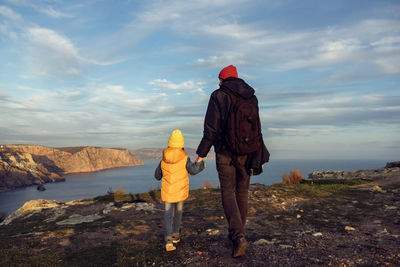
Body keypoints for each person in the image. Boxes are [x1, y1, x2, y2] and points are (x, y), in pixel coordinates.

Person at [196, 65, 269, 258]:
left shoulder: (218, 95)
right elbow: (258, 128)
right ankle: (239, 235)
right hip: (248, 151)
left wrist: (201, 153)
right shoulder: (251, 96)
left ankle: (238, 237)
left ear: (222, 80)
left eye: (219, 80)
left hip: (225, 153)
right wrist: (258, 151)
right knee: (242, 193)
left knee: (228, 191)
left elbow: (211, 129)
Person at [155, 129, 205, 252]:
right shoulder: (184, 158)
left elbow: (157, 176)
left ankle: (168, 240)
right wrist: (201, 164)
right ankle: (176, 235)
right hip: (180, 191)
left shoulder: (164, 159)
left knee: (168, 215)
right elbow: (193, 171)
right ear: (181, 144)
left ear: (169, 144)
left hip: (167, 192)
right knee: (178, 212)